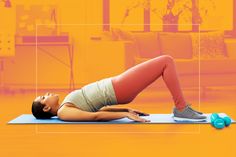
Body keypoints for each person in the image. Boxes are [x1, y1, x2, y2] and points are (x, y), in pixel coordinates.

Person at [32, 55, 207, 122]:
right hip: (118, 88)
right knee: (166, 61)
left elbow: (99, 107)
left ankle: (182, 107)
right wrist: (124, 115)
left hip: (117, 85)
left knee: (165, 63)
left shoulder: (66, 105)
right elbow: (96, 116)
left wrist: (126, 109)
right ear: (47, 107)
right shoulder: (64, 113)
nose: (46, 94)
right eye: (43, 97)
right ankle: (182, 108)